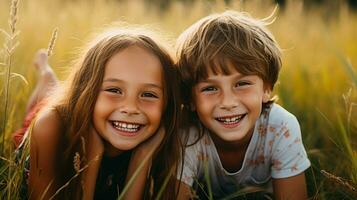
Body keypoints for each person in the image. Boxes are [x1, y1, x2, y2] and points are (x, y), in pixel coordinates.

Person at [20, 28, 181, 199]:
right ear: (86, 90)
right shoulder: (50, 126)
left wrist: (141, 160)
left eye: (149, 94)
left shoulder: (169, 139)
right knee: (41, 102)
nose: (131, 107)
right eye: (114, 90)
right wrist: (91, 159)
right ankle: (46, 73)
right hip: (50, 120)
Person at [175, 11, 311, 200]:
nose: (228, 102)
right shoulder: (187, 135)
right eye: (210, 88)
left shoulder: (281, 128)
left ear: (266, 88)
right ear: (190, 99)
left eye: (242, 84)